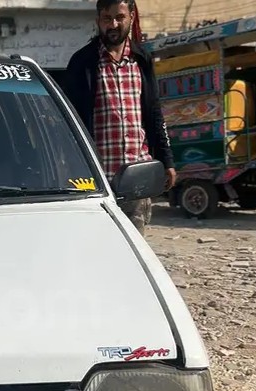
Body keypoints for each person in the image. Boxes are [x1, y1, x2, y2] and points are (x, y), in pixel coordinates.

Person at [64, 0, 177, 235]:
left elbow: (154, 113)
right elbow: (69, 123)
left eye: (119, 17)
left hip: (137, 179)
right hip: (97, 182)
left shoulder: (142, 60)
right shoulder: (82, 63)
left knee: (135, 252)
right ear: (98, 21)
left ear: (131, 18)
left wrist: (167, 161)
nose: (113, 24)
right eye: (106, 18)